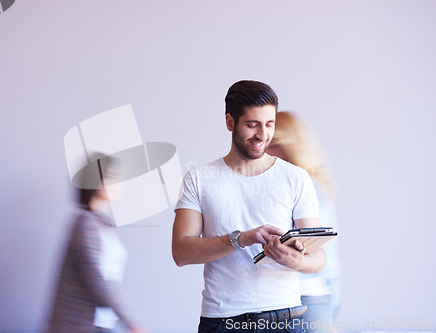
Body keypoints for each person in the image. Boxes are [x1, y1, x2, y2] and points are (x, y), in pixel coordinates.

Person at [172, 80, 326, 333]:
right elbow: (181, 252)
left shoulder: (296, 178)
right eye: (252, 124)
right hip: (222, 321)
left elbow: (318, 257)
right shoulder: (199, 178)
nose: (262, 135)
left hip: (284, 319)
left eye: (269, 124)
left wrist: (296, 261)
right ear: (230, 122)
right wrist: (241, 239)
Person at [46, 155, 147, 333]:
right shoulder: (86, 224)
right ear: (98, 182)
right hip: (75, 326)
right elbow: (97, 281)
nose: (121, 183)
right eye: (113, 177)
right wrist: (132, 321)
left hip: (99, 324)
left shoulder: (103, 227)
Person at [266, 111, 341, 333]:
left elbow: (325, 253)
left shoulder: (308, 186)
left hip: (306, 299)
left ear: (294, 145)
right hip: (279, 301)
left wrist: (330, 309)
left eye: (275, 143)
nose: (266, 151)